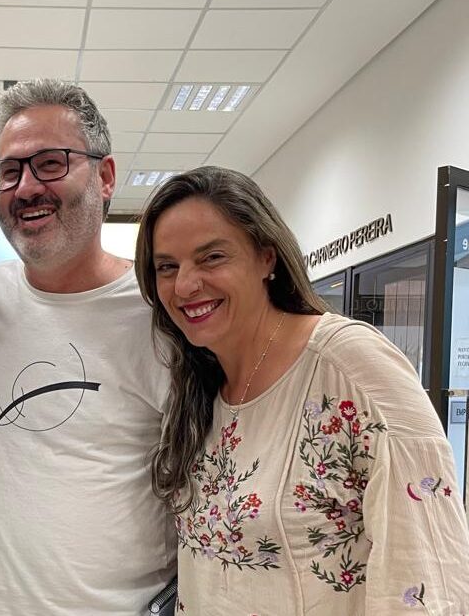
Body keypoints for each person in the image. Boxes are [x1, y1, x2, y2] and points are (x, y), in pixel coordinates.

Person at [135, 165, 469, 614]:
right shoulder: (197, 388)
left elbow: (427, 575)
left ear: (266, 258)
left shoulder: (350, 366)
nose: (185, 285)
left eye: (211, 257)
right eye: (167, 267)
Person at [0, 79, 175, 615]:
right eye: (10, 171)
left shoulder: (161, 318)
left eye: (51, 163)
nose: (26, 187)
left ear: (105, 176)